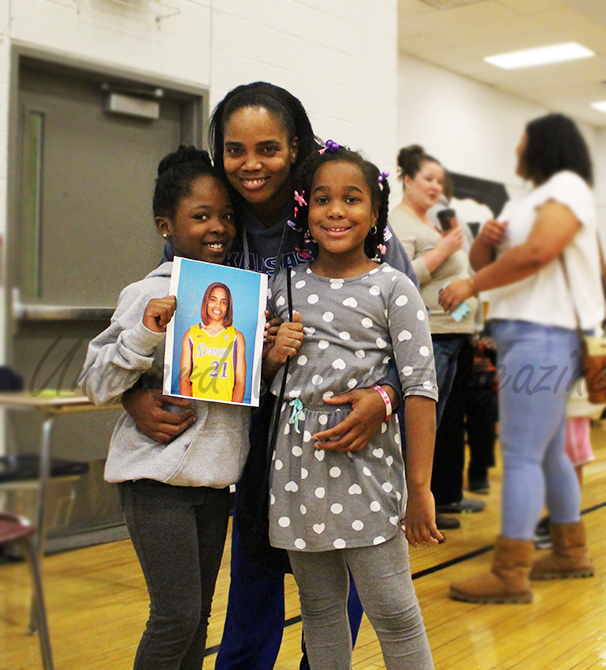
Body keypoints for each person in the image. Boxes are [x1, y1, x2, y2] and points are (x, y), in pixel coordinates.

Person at [120, 82, 421, 670]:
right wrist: (135, 394)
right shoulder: (211, 228)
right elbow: (158, 327)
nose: (251, 165)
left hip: (348, 441)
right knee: (254, 589)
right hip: (254, 441)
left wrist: (382, 400)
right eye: (235, 149)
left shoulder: (343, 219)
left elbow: (409, 357)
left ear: (297, 148)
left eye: (269, 149)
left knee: (339, 595)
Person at [263, 144, 439, 670]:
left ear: (375, 215)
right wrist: (273, 355)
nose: (336, 211)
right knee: (318, 610)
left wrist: (421, 488)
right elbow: (262, 381)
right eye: (322, 199)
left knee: (395, 613)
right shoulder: (284, 285)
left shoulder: (395, 288)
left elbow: (420, 388)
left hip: (369, 470)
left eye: (352, 199)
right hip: (294, 466)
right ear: (305, 210)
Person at [80, 147, 250, 668]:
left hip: (214, 483)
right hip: (155, 483)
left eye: (225, 215)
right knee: (174, 616)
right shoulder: (146, 293)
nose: (217, 226)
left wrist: (267, 344)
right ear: (165, 226)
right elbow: (95, 383)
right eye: (200, 216)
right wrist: (145, 334)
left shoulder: (243, 295)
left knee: (197, 617)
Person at [439, 113, 604, 603]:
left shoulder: (568, 186)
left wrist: (471, 283)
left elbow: (537, 253)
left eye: (523, 141)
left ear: (545, 146)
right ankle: (572, 552)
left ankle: (510, 574)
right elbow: (494, 264)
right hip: (526, 334)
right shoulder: (525, 199)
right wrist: (484, 249)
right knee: (550, 450)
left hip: (543, 337)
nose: (516, 150)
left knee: (522, 452)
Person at [389, 146, 483, 526]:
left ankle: (443, 497)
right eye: (428, 178)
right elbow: (401, 276)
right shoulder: (400, 222)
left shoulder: (428, 222)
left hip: (454, 332)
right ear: (407, 179)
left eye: (439, 181)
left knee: (447, 422)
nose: (435, 186)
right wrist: (444, 249)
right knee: (426, 424)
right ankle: (414, 505)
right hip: (431, 334)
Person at [180, 282, 246, 403]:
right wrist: (189, 405)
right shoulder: (191, 334)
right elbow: (184, 378)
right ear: (206, 302)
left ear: (228, 307)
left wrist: (233, 409)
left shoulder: (237, 337)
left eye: (223, 302)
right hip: (197, 405)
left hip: (225, 406)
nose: (218, 305)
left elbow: (240, 381)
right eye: (213, 300)